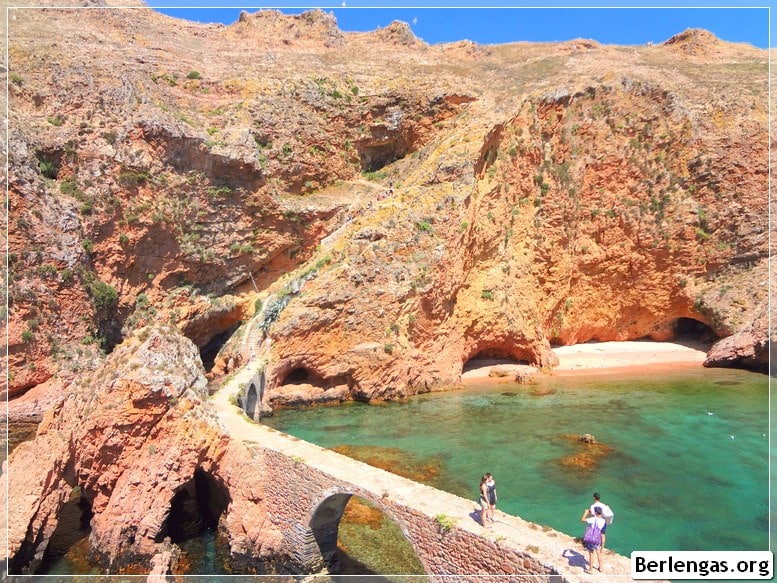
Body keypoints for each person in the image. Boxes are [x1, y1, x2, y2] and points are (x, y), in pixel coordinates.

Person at [580, 506, 606, 573]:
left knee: (591, 554)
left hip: (591, 539)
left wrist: (586, 513)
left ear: (596, 512)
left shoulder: (592, 519)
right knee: (598, 552)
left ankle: (590, 570)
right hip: (597, 539)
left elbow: (582, 520)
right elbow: (602, 534)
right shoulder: (604, 521)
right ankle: (601, 568)